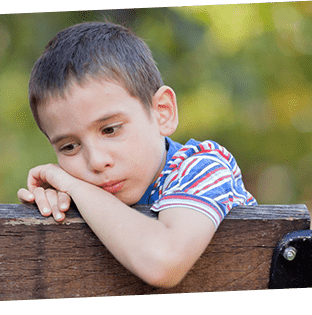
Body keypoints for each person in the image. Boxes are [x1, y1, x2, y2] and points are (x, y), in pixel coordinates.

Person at [17, 21, 256, 288]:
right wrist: (60, 203)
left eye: (110, 129)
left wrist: (75, 187)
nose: (96, 161)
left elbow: (163, 262)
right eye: (69, 147)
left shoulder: (203, 166)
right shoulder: (83, 196)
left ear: (162, 112)